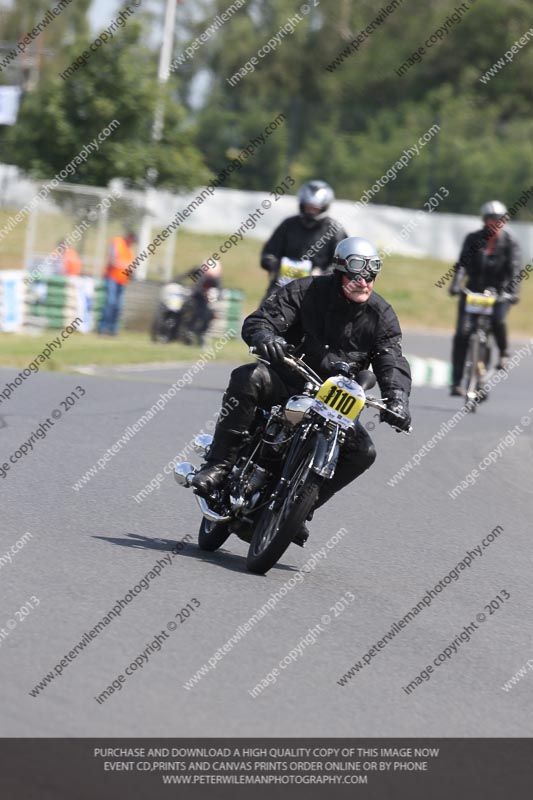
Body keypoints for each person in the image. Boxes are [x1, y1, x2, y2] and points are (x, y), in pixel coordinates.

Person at [192, 236, 412, 544]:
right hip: (290, 378)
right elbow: (262, 320)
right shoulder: (305, 290)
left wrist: (398, 398)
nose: (364, 281)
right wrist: (267, 337)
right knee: (248, 377)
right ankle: (219, 465)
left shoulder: (382, 315)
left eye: (371, 273)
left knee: (364, 452)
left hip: (335, 397)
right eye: (356, 272)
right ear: (339, 270)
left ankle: (300, 507)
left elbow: (392, 359)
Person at [449, 201, 521, 396]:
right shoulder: (473, 239)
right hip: (473, 292)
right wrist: (456, 284)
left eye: (499, 220)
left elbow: (515, 272)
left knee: (498, 320)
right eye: (491, 220)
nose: (495, 223)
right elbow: (462, 264)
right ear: (484, 221)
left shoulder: (510, 244)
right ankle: (456, 382)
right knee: (462, 334)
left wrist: (512, 293)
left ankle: (504, 352)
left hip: (498, 294)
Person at [260, 179, 347, 298]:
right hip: (283, 287)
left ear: (323, 207)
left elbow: (343, 264)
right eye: (308, 207)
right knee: (265, 311)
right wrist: (277, 266)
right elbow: (269, 254)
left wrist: (322, 274)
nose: (311, 212)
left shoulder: (335, 231)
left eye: (315, 208)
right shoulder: (288, 225)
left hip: (319, 291)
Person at [98, 231, 137, 336]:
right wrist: (125, 266)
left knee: (118, 306)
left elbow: (132, 265)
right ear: (129, 237)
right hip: (112, 278)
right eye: (132, 240)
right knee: (110, 303)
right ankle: (103, 327)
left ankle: (113, 329)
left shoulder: (130, 250)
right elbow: (112, 260)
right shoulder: (117, 243)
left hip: (123, 280)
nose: (132, 243)